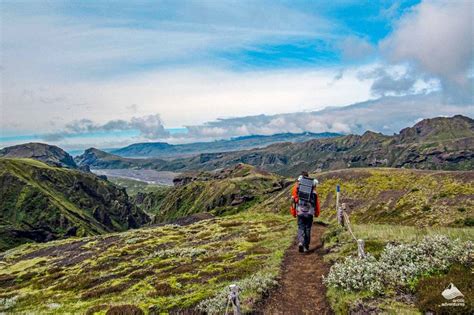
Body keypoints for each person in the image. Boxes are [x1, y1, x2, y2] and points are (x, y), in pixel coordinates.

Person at [290, 171, 320, 253]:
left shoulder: (297, 187)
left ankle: (301, 242)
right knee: (308, 228)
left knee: (301, 227)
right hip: (309, 212)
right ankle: (306, 246)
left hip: (300, 211)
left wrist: (293, 212)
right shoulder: (313, 189)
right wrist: (317, 213)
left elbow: (293, 201)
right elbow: (316, 202)